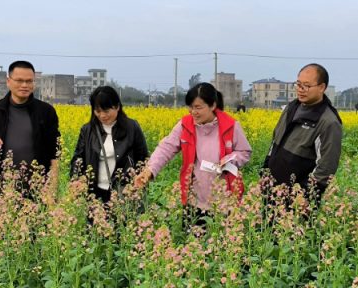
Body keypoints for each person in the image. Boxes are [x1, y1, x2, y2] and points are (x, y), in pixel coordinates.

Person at [135, 82, 252, 213]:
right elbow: (166, 148)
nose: (193, 112)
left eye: (198, 107)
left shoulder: (230, 126)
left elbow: (245, 152)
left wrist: (229, 160)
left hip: (225, 202)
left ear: (212, 105)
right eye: (191, 107)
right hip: (194, 200)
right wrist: (150, 170)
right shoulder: (185, 125)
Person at [0, 60, 60, 198]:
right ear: (8, 81)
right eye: (19, 80)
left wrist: (51, 192)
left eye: (29, 81)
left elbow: (54, 155)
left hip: (37, 190)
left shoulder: (46, 112)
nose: (24, 85)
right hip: (1, 189)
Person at [263, 63, 342, 203]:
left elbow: (326, 168)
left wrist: (304, 196)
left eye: (306, 86)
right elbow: (275, 141)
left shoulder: (328, 122)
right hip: (272, 189)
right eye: (298, 84)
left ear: (322, 87)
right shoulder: (291, 108)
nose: (300, 90)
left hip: (298, 200)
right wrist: (265, 170)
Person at [70, 86, 149, 203]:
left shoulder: (132, 127)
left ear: (117, 107)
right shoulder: (87, 130)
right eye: (97, 111)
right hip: (95, 194)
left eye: (106, 111)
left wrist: (135, 186)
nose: (102, 115)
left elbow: (143, 159)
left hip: (124, 194)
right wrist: (76, 181)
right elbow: (78, 159)